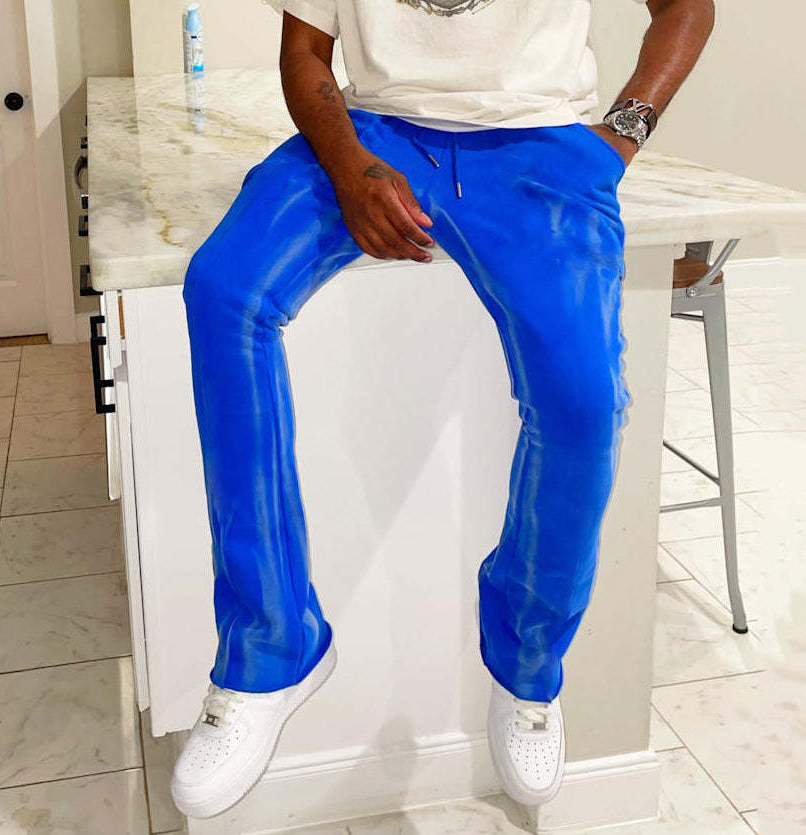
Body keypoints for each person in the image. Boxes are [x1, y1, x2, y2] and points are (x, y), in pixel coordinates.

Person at [170, 0, 714, 818]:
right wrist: (348, 165)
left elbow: (686, 7)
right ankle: (269, 646)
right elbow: (304, 51)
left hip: (541, 142)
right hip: (374, 132)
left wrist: (623, 132)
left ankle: (527, 665)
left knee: (583, 404)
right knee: (221, 292)